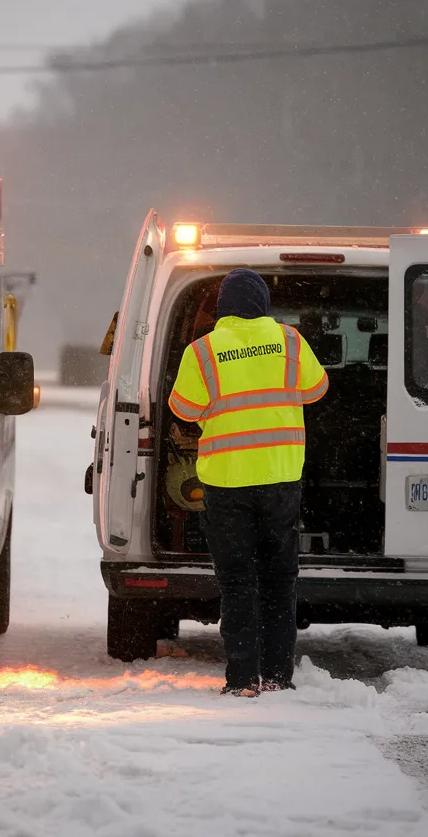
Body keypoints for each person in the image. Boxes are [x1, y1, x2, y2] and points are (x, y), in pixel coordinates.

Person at [167, 269, 328, 697]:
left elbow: (182, 408)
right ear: (263, 305)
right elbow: (317, 389)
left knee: (238, 581)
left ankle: (242, 680)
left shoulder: (203, 352)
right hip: (280, 479)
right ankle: (278, 676)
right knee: (280, 580)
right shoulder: (290, 342)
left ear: (223, 308)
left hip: (227, 483)